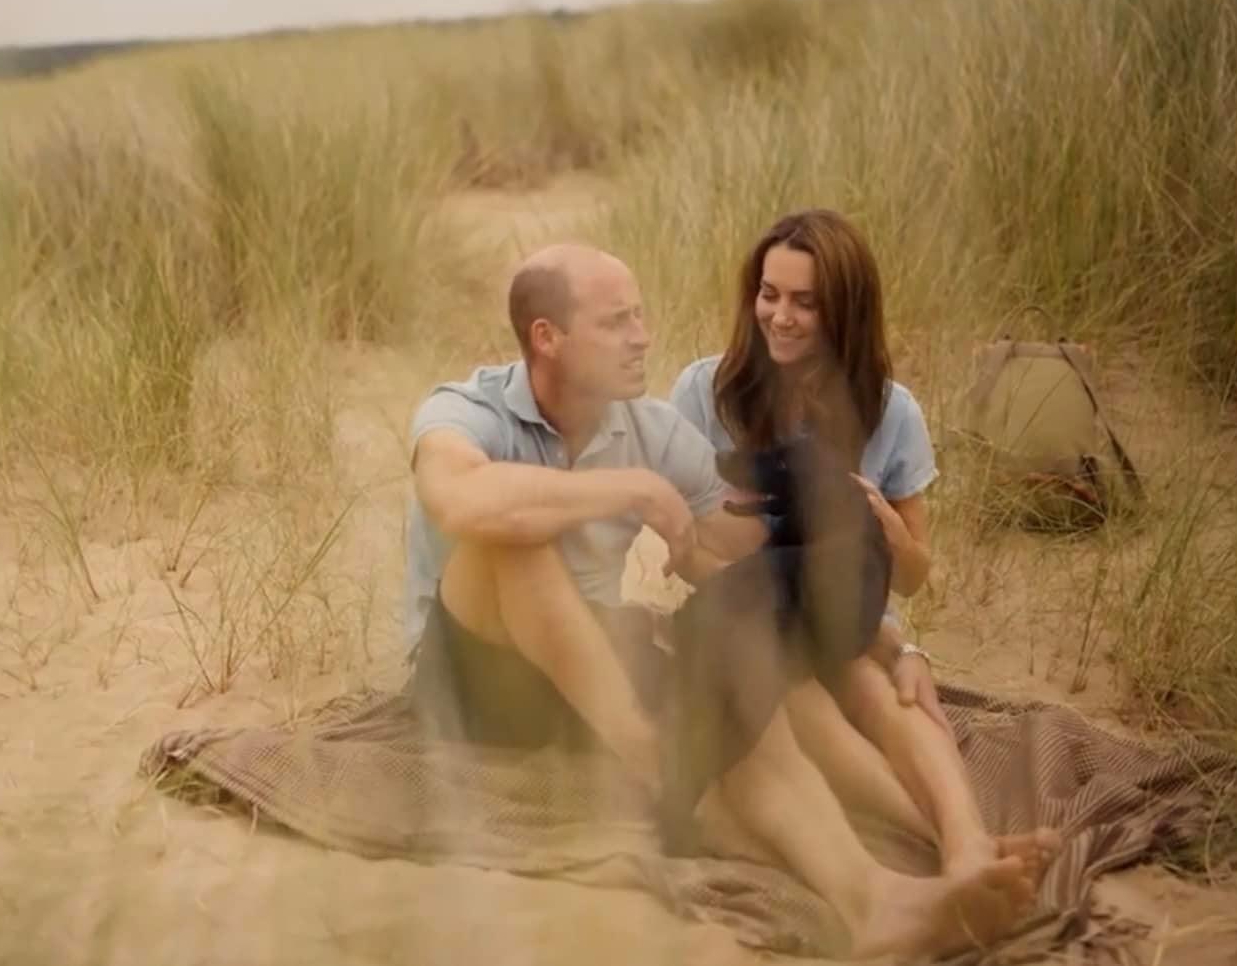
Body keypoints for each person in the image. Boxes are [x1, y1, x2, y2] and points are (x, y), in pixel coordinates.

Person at [403, 241, 1047, 960]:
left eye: (639, 316)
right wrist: (634, 490)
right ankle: (656, 767)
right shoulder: (466, 410)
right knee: (512, 544)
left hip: (589, 677)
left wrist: (879, 617)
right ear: (547, 337)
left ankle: (876, 897)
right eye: (617, 322)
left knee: (740, 659)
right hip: (474, 675)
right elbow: (461, 500)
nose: (643, 337)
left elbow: (740, 558)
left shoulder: (651, 430)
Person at [670, 207, 1038, 886]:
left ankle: (967, 843)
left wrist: (892, 542)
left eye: (805, 303)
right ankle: (939, 845)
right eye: (769, 294)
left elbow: (914, 576)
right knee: (791, 676)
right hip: (750, 611)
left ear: (844, 310)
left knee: (888, 691)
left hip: (852, 619)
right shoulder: (704, 391)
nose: (780, 316)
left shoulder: (893, 411)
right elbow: (685, 553)